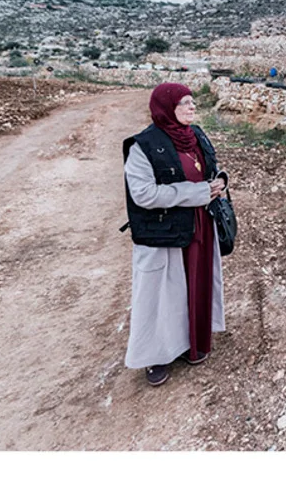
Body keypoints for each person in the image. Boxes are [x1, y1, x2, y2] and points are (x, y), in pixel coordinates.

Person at [122, 83, 228, 386]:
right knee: (160, 293)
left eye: (192, 101)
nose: (192, 107)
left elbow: (210, 169)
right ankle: (155, 355)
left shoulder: (196, 136)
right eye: (184, 102)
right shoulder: (143, 146)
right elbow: (143, 193)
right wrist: (198, 192)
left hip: (199, 225)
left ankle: (192, 343)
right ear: (166, 108)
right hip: (164, 230)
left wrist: (219, 182)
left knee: (194, 284)